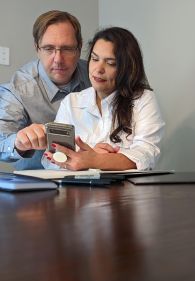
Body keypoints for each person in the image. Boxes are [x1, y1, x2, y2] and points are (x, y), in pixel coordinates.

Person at [43, 27, 165, 171]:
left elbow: (146, 154)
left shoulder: (143, 99)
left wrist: (95, 160)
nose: (98, 69)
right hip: (76, 191)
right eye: (94, 59)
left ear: (127, 68)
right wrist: (84, 158)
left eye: (111, 63)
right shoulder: (71, 102)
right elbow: (49, 159)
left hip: (125, 191)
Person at [0, 10, 91, 170]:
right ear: (37, 48)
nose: (58, 59)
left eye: (67, 49)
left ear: (79, 47)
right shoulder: (18, 88)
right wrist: (18, 142)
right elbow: (1, 141)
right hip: (38, 186)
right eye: (49, 48)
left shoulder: (95, 76)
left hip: (93, 178)